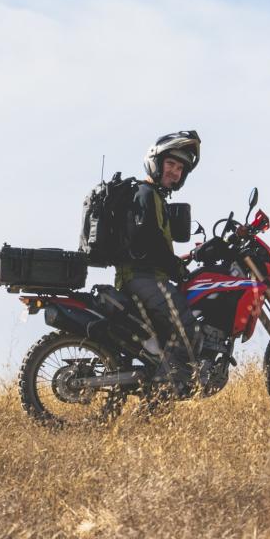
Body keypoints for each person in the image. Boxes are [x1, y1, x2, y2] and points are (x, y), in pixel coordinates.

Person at [116, 130, 203, 401]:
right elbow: (150, 244)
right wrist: (177, 268)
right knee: (187, 329)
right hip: (142, 278)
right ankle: (162, 396)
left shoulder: (154, 197)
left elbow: (153, 246)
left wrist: (181, 260)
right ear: (156, 162)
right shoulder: (146, 194)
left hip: (146, 276)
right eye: (170, 164)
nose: (175, 172)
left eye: (180, 168)